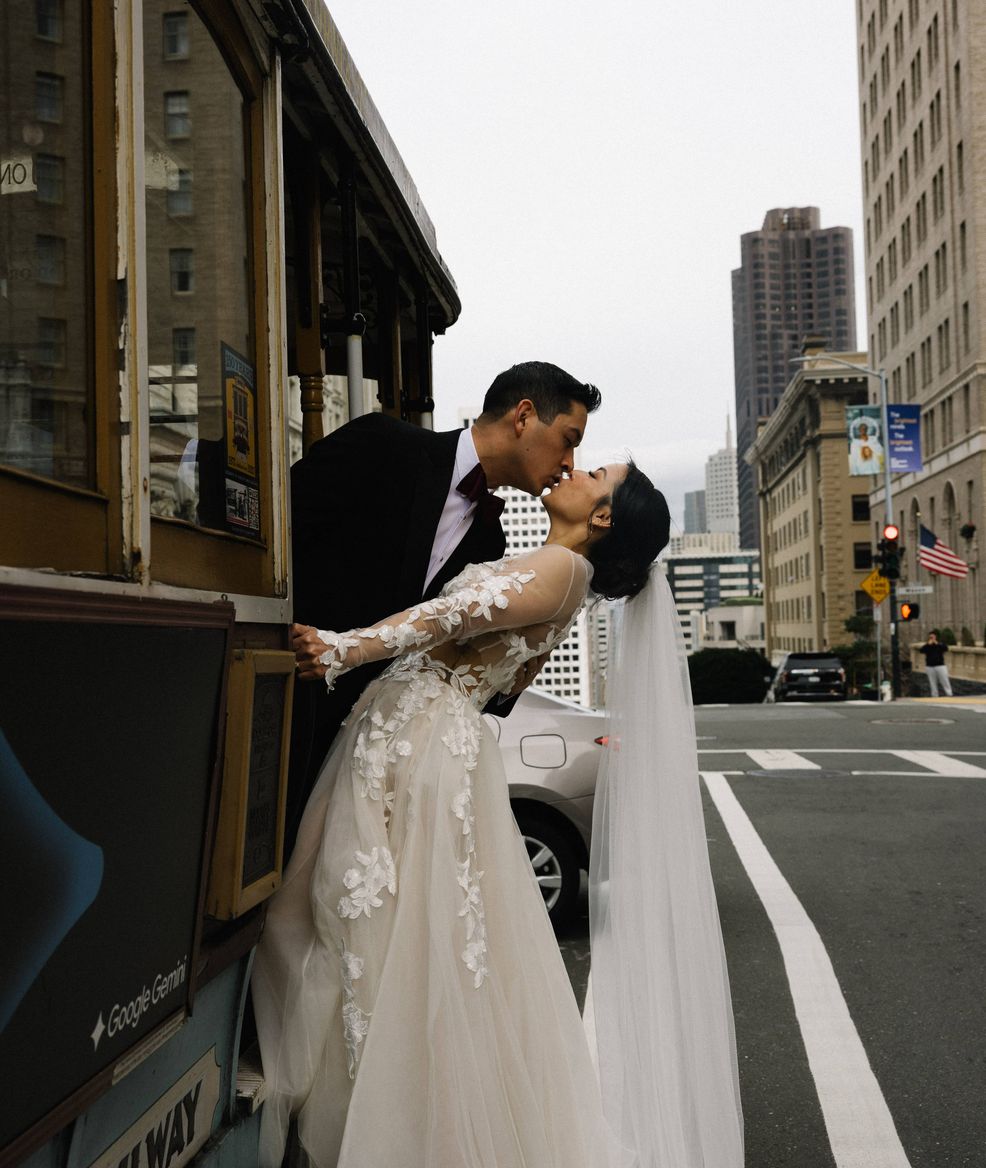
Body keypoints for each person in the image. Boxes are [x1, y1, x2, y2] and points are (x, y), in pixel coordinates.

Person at [252, 461, 744, 1168]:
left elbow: (450, 615)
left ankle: (401, 1129)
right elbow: (501, 668)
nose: (578, 465)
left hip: (419, 741)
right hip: (411, 731)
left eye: (597, 469)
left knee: (354, 923)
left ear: (601, 516)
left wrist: (344, 647)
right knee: (357, 923)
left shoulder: (563, 569)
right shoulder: (558, 573)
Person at [284, 361, 601, 860]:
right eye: (568, 437)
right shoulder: (382, 444)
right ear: (523, 416)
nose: (569, 460)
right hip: (290, 705)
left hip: (387, 754)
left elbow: (477, 678)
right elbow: (278, 533)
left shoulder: (491, 538)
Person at [918, 630, 952, 696]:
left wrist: (937, 643)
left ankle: (949, 694)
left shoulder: (940, 644)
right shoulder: (927, 645)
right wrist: (928, 644)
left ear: (936, 637)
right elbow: (921, 651)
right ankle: (934, 695)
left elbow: (945, 649)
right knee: (932, 682)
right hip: (930, 666)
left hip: (940, 666)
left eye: (933, 637)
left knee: (944, 680)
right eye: (930, 637)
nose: (932, 638)